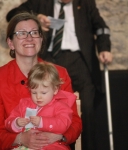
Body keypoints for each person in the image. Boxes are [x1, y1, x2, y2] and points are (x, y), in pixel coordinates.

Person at [6, 0, 113, 150]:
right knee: (43, 104)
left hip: (79, 61)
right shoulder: (41, 3)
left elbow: (102, 28)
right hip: (49, 61)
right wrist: (36, 18)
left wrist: (104, 48)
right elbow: (13, 15)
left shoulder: (86, 3)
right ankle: (45, 144)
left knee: (87, 109)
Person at [0, 12, 82, 150]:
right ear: (10, 43)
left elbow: (74, 122)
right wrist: (20, 139)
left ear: (41, 39)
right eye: (21, 33)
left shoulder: (60, 73)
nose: (29, 38)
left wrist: (60, 137)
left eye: (34, 32)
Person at [5, 62, 77, 150]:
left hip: (53, 146)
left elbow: (63, 124)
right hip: (26, 146)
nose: (38, 96)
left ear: (55, 90)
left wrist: (42, 122)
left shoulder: (61, 106)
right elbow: (8, 122)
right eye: (34, 92)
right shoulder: (24, 104)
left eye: (43, 93)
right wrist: (16, 123)